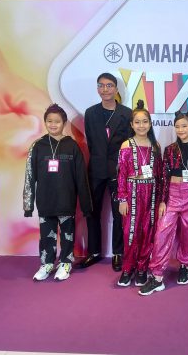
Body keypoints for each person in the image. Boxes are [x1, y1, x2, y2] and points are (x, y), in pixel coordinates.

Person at [138, 111, 188, 296]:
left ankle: (184, 265)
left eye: (184, 126)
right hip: (172, 194)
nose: (180, 129)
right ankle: (157, 277)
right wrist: (163, 201)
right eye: (178, 126)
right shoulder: (170, 149)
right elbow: (164, 177)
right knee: (162, 233)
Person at [23, 104, 92, 281]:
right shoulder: (37, 146)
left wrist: (86, 205)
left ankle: (65, 263)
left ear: (64, 123)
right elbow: (29, 176)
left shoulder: (72, 146)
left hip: (66, 200)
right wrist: (28, 205)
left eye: (57, 121)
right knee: (47, 236)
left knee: (68, 235)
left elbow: (81, 178)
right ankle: (46, 263)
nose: (53, 124)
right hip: (45, 201)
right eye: (49, 121)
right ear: (45, 122)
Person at [78, 73, 132, 271]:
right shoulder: (90, 113)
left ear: (116, 89)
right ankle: (94, 252)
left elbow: (129, 145)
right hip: (96, 169)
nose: (105, 89)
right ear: (97, 88)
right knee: (92, 211)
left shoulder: (127, 114)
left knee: (120, 214)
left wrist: (121, 166)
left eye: (109, 85)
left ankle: (118, 253)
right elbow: (92, 142)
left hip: (119, 171)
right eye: (101, 85)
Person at [116, 100, 162, 287]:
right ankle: (128, 268)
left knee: (148, 232)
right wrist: (122, 199)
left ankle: (142, 268)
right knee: (131, 232)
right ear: (132, 124)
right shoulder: (126, 145)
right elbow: (121, 174)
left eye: (145, 122)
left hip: (151, 195)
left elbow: (159, 175)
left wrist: (161, 200)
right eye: (137, 122)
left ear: (150, 124)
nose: (141, 126)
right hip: (132, 193)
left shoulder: (155, 145)